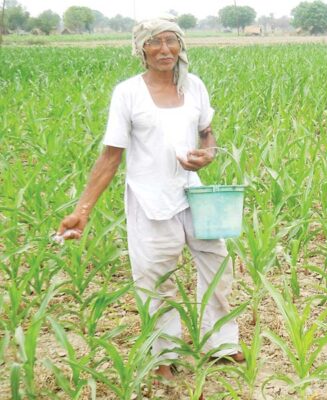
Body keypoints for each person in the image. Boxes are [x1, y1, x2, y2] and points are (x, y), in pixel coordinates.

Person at [57, 16, 243, 382]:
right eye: (154, 42)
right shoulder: (128, 93)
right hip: (149, 198)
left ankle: (219, 343)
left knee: (218, 265)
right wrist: (82, 211)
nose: (164, 50)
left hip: (193, 192)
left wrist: (208, 153)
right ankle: (165, 352)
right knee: (157, 279)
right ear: (140, 48)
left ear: (181, 45)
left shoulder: (194, 87)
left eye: (171, 41)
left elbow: (207, 133)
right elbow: (111, 156)